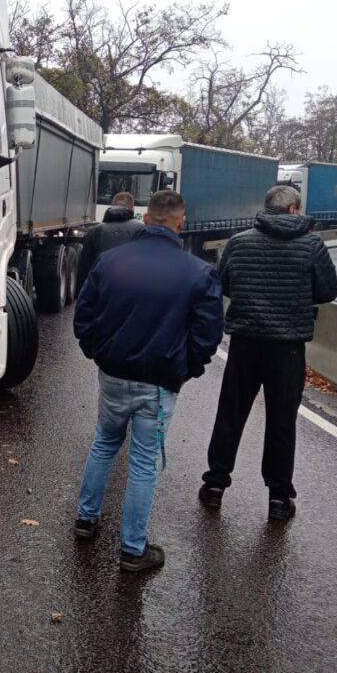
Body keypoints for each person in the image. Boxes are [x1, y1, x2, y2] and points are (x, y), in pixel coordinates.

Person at [73, 190, 224, 572]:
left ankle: (86, 519)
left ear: (146, 217)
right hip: (158, 383)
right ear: (181, 221)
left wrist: (99, 353)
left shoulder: (110, 262)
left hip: (112, 373)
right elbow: (207, 335)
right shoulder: (197, 272)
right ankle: (132, 549)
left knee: (104, 441)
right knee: (142, 462)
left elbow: (84, 315)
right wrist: (183, 369)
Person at [199, 185, 337, 520]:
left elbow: (224, 284)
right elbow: (328, 290)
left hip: (246, 342)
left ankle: (215, 485)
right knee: (281, 422)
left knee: (230, 416)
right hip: (287, 348)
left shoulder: (240, 242)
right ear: (293, 209)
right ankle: (278, 498)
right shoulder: (311, 245)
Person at [75, 192, 144, 293]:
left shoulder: (95, 231)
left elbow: (84, 269)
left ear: (112, 206)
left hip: (102, 289)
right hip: (132, 290)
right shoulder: (142, 229)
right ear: (132, 208)